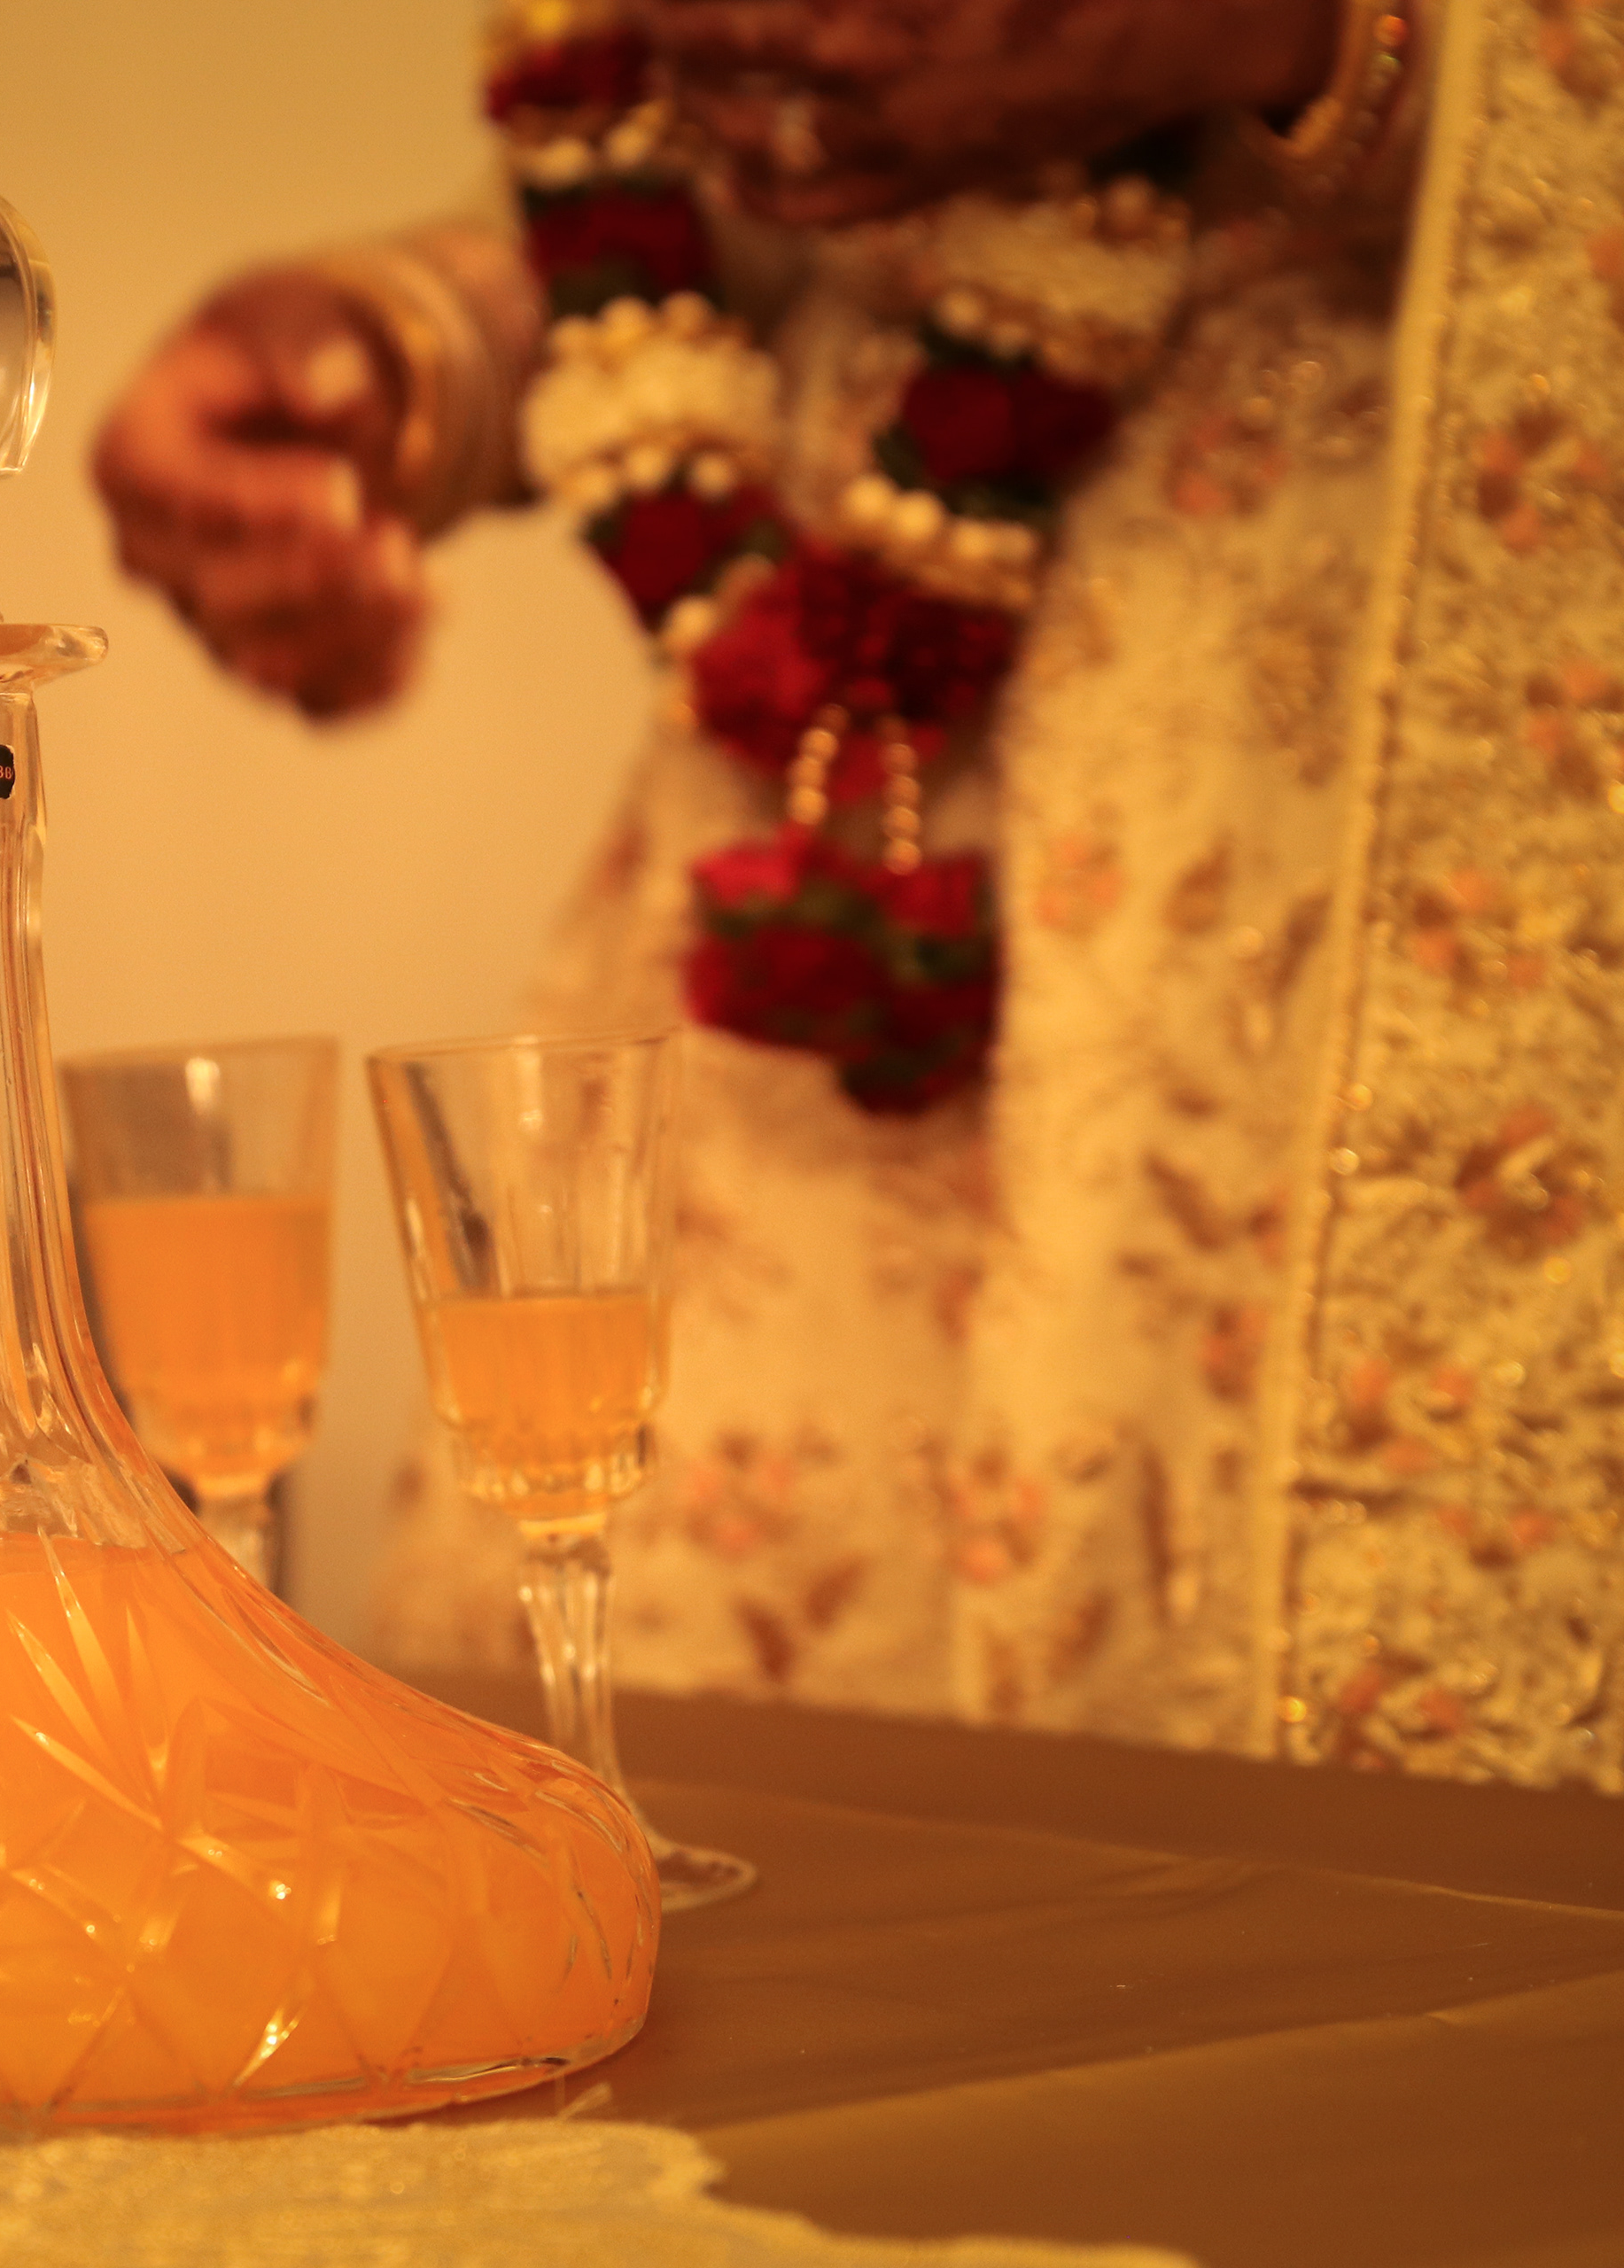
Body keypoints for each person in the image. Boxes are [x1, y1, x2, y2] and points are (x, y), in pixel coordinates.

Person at [96, 0, 1623, 1790]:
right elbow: (720, 204)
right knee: (675, 1837)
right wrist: (413, 345)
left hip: (1380, 824)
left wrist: (1282, 29)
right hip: (810, 863)